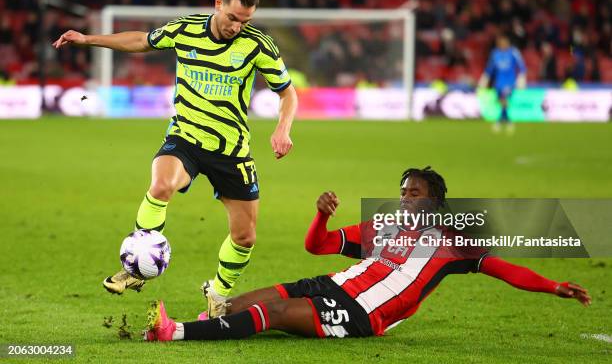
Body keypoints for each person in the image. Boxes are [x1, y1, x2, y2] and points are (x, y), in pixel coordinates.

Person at [52, 0, 298, 318]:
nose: (237, 26)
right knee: (161, 184)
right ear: (217, 3)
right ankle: (137, 268)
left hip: (231, 151)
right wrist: (88, 39)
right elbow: (141, 41)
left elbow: (287, 92)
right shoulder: (185, 30)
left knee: (245, 237)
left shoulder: (259, 46)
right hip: (186, 137)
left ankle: (217, 292)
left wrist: (283, 128)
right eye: (232, 17)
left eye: (245, 20)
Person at [143, 167, 591, 341]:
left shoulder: (454, 240)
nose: (404, 198)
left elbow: (501, 268)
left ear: (433, 199)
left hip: (361, 313)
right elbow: (317, 246)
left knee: (275, 313)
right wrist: (321, 216)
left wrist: (553, 286)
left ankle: (175, 333)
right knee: (236, 303)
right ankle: (209, 325)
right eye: (402, 192)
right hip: (333, 284)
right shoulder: (381, 225)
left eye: (413, 193)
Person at [478, 34, 527, 133]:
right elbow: (490, 68)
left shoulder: (513, 52)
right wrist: (484, 79)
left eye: (504, 42)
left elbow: (521, 66)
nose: (502, 44)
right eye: (500, 43)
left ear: (508, 43)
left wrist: (521, 78)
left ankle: (500, 122)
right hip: (498, 82)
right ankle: (507, 121)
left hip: (510, 82)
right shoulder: (495, 53)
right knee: (501, 101)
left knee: (504, 100)